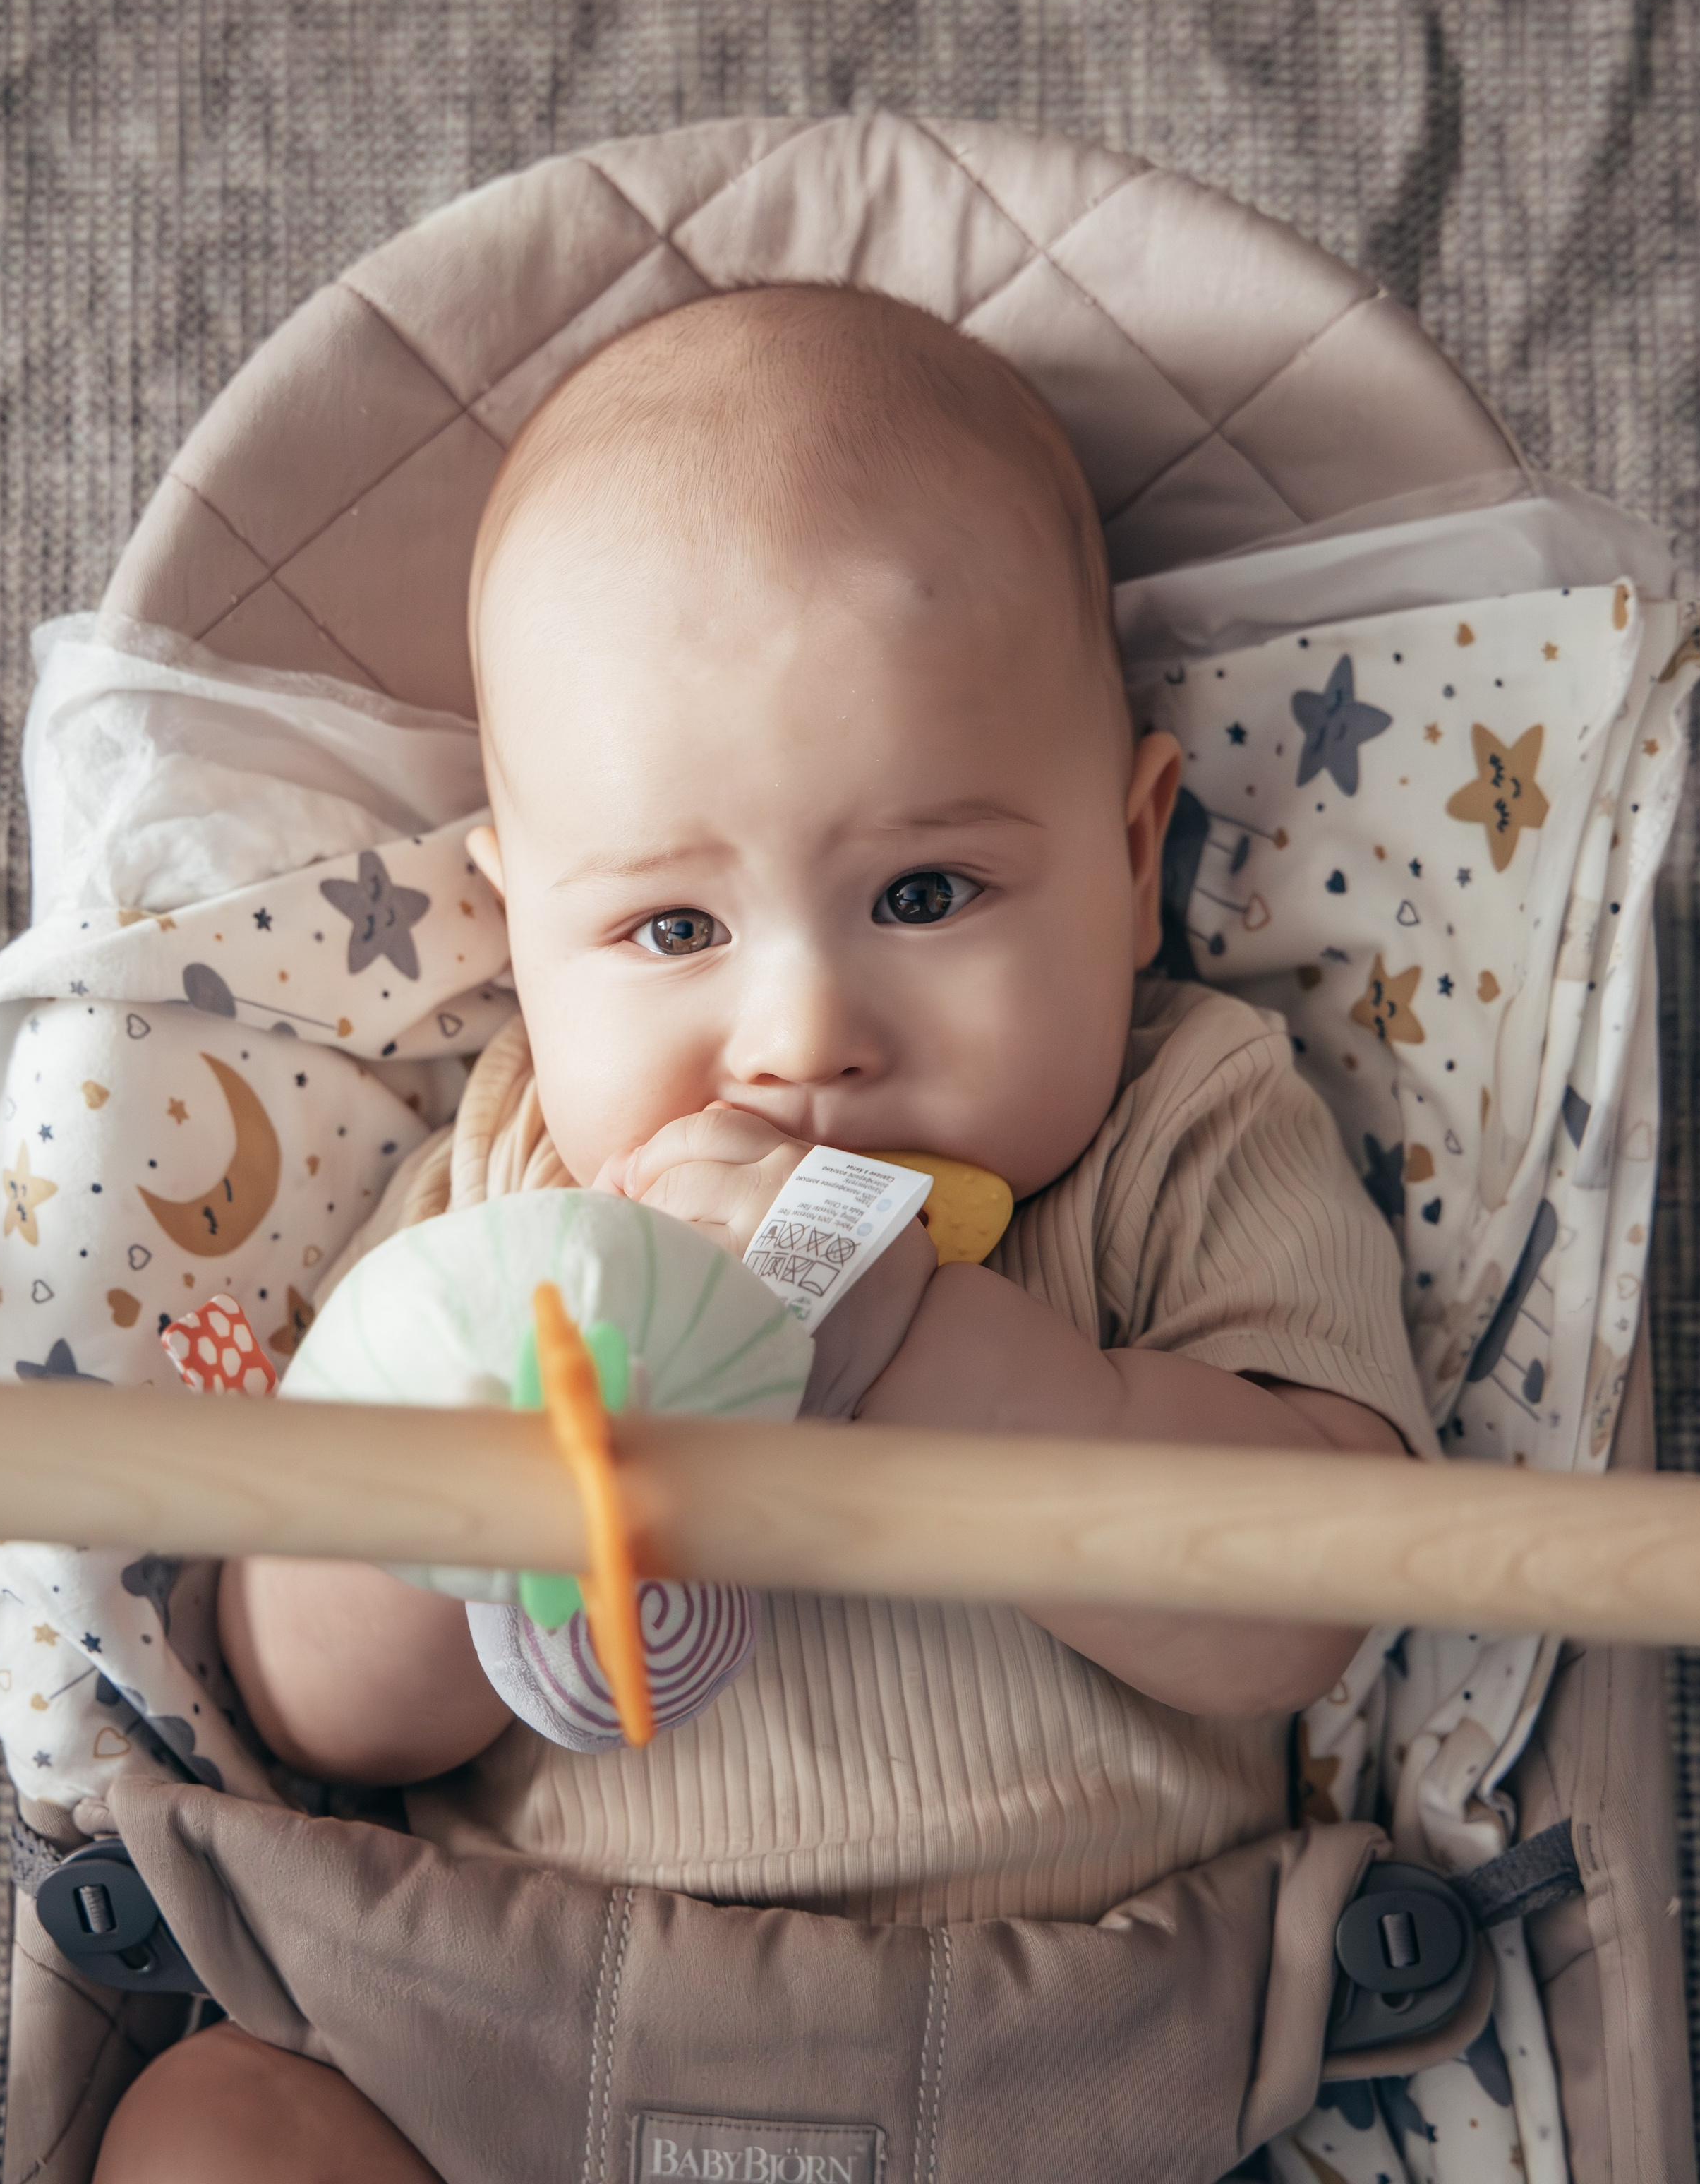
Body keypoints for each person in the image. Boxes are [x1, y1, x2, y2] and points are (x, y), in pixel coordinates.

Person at [97, 285, 1432, 2182]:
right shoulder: (517, 1189)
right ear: (516, 926)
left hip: (1067, 2057)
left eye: (925, 889)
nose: (806, 1038)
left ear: (1138, 859)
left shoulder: (1188, 1122)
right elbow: (307, 1705)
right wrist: (471, 1499)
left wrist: (936, 1354)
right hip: (511, 2040)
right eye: (670, 931)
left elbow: (1311, 1601)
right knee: (211, 2127)